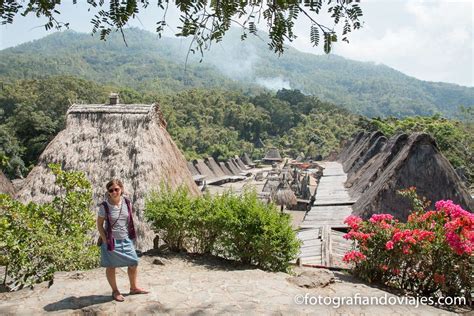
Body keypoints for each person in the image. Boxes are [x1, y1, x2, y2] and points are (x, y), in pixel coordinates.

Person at [97, 179, 149, 302]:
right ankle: (115, 291)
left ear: (121, 189)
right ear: (108, 192)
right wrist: (105, 239)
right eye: (111, 190)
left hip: (125, 239)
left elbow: (128, 220)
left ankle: (133, 287)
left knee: (133, 262)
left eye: (116, 189)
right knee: (111, 266)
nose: (114, 192)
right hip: (111, 240)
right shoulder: (104, 206)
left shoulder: (127, 203)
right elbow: (99, 225)